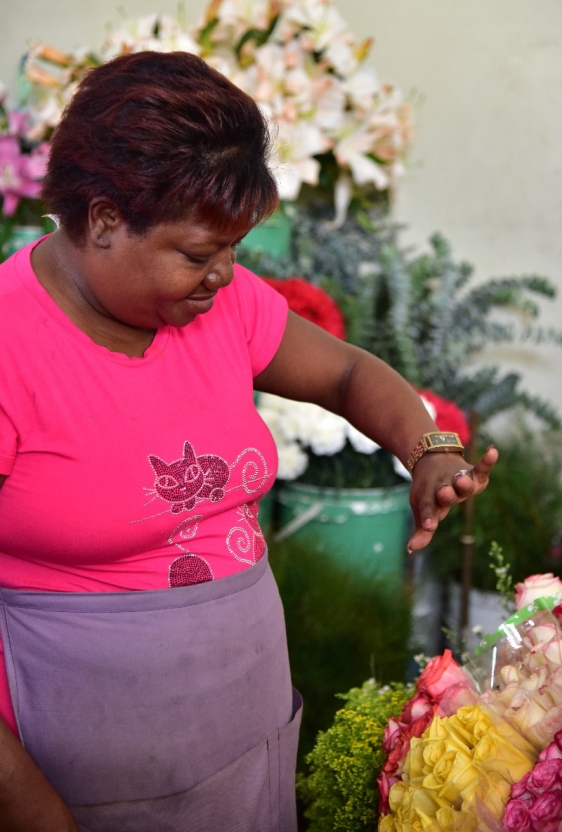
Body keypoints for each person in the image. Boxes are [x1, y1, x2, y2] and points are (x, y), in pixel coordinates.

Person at [0, 51, 497, 832]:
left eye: (234, 248)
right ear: (100, 219)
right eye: (198, 254)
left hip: (241, 721)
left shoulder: (219, 307)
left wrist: (427, 443)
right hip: (76, 761)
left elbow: (343, 375)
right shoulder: (10, 346)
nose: (225, 276)